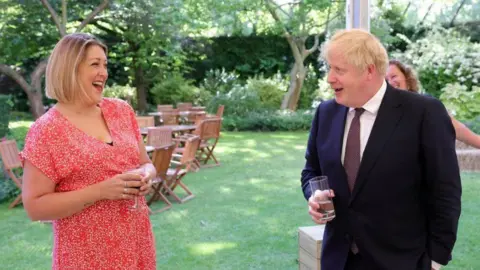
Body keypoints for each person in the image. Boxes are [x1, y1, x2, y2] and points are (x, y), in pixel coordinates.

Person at [301, 29, 461, 270]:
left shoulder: (424, 112)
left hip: (401, 261)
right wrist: (314, 195)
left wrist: (435, 260)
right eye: (329, 68)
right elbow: (311, 171)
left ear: (369, 71)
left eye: (339, 70)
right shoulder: (326, 113)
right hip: (338, 260)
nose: (330, 78)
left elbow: (445, 191)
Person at [20, 33, 157, 269]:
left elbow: (146, 162)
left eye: (105, 64)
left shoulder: (121, 111)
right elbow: (34, 207)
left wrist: (147, 174)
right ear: (69, 69)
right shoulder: (46, 131)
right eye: (95, 64)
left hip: (136, 242)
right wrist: (101, 191)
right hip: (87, 256)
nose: (104, 72)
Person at [387, 59, 480, 149]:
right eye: (386, 80)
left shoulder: (426, 105)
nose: (390, 82)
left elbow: (457, 129)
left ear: (407, 79)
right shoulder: (382, 113)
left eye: (394, 76)